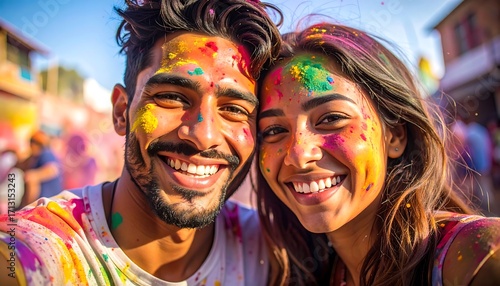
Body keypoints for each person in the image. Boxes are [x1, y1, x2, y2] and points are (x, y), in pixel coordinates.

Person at [0, 0, 282, 285]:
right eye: (172, 97)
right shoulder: (41, 250)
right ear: (122, 111)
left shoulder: (270, 249)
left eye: (234, 110)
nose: (203, 136)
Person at [255, 23, 500, 285]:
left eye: (331, 118)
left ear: (395, 135)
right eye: (274, 130)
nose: (299, 155)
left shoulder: (478, 256)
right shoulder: (301, 273)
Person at [18, 130, 63, 207]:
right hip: (45, 202)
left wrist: (34, 175)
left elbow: (53, 170)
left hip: (48, 202)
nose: (32, 145)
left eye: (35, 143)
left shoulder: (46, 153)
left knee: (31, 176)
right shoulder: (35, 157)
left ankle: (29, 207)